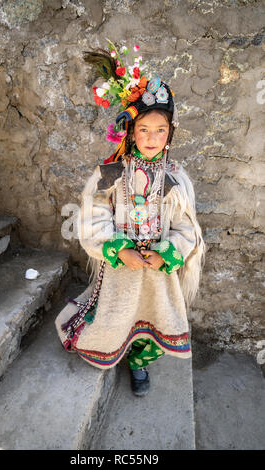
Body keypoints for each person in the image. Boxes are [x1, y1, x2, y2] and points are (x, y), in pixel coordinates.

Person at [55, 43, 206, 397]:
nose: (152, 138)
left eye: (161, 130)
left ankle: (139, 363)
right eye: (143, 129)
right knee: (116, 317)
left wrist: (168, 253)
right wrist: (119, 249)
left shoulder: (174, 179)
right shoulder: (110, 174)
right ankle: (112, 348)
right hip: (121, 269)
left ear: (171, 133)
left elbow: (187, 229)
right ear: (130, 131)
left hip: (157, 273)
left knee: (154, 317)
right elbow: (92, 219)